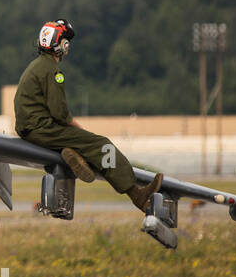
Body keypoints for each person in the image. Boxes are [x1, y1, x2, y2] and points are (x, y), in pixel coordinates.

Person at [13, 19, 162, 210]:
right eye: (66, 41)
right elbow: (60, 114)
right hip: (43, 129)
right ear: (61, 45)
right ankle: (137, 193)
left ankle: (71, 154)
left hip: (32, 130)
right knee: (101, 144)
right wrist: (79, 129)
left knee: (79, 143)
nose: (68, 45)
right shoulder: (52, 71)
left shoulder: (36, 66)